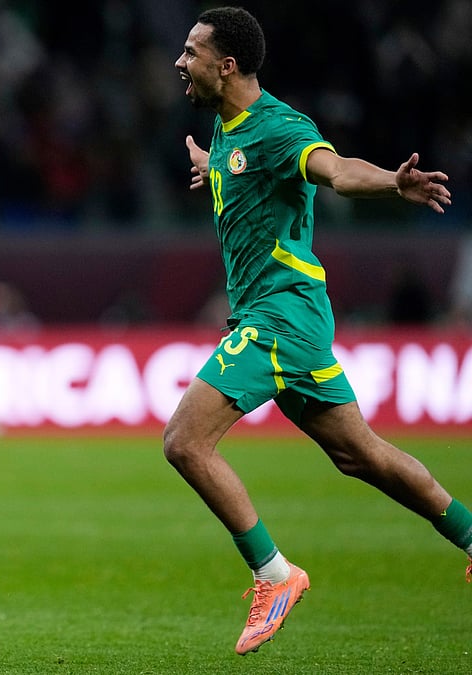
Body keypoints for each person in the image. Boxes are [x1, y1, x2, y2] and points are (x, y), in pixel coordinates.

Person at [168, 6, 469, 656]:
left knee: (185, 441)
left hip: (280, 315)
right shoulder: (225, 131)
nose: (178, 62)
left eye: (190, 52)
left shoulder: (279, 128)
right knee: (359, 453)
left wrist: (391, 180)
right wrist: (208, 166)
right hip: (291, 321)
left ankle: (275, 574)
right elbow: (239, 173)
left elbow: (334, 169)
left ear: (226, 65)